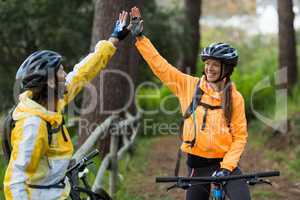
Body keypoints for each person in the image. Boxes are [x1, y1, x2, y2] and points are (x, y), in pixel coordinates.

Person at [3, 11, 130, 200]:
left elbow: (82, 73)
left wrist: (113, 40)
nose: (65, 73)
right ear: (51, 82)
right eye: (61, 70)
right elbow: (15, 182)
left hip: (61, 191)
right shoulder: (33, 125)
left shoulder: (53, 102)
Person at [129, 7, 251, 200]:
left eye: (215, 65)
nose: (209, 68)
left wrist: (227, 169)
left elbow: (240, 137)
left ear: (226, 69)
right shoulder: (189, 85)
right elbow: (161, 66)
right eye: (207, 63)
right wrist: (141, 39)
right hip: (198, 164)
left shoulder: (235, 98)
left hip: (226, 164)